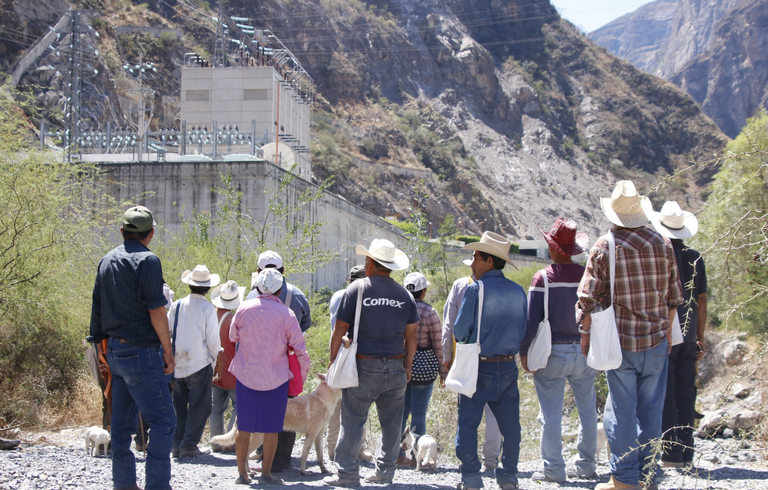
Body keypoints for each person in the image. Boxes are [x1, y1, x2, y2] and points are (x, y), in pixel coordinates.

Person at [577, 181, 683, 490]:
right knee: (651, 411)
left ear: (613, 214)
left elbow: (588, 300)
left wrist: (585, 334)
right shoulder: (663, 243)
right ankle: (648, 475)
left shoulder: (604, 246)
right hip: (656, 341)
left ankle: (623, 480)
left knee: (620, 411)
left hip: (620, 343)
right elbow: (674, 297)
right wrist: (664, 335)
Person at [89, 205, 176, 490]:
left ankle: (124, 484)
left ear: (122, 231)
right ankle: (157, 486)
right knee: (163, 422)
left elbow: (98, 309)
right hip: (142, 352)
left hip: (114, 350)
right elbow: (156, 310)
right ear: (150, 234)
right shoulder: (148, 261)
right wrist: (167, 350)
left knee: (122, 426)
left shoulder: (106, 260)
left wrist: (103, 352)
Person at [323, 239, 418, 487]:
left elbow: (339, 330)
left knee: (353, 421)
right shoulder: (405, 295)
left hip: (363, 367)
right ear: (390, 265)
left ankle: (347, 475)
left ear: (369, 263)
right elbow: (411, 337)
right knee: (392, 425)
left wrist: (333, 361)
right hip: (396, 368)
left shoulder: (356, 289)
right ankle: (384, 473)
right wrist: (407, 368)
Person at [520, 218, 597, 483]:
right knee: (587, 411)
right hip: (585, 350)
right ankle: (586, 466)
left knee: (550, 413)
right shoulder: (587, 276)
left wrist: (524, 351)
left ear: (552, 248)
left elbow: (532, 321)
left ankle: (554, 468)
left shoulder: (543, 278)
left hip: (553, 352)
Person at [453, 231, 527, 490]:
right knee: (511, 427)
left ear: (489, 261)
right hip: (508, 367)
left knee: (468, 423)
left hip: (479, 367)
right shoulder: (519, 291)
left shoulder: (476, 289)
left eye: (475, 257)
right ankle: (508, 477)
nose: (472, 263)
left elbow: (460, 331)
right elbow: (523, 330)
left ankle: (472, 477)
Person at [229, 268, 310, 485]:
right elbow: (299, 348)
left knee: (244, 426)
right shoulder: (287, 314)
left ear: (257, 287)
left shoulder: (244, 308)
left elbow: (232, 335)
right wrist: (302, 371)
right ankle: (266, 474)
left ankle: (242, 474)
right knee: (272, 427)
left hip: (246, 375)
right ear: (280, 289)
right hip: (276, 378)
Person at [650, 201, 708, 468]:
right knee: (687, 391)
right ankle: (686, 451)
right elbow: (702, 300)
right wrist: (700, 337)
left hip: (666, 332)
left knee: (667, 392)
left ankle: (670, 452)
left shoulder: (660, 255)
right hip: (688, 331)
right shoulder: (695, 258)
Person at [246, 250, 312, 471]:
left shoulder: (249, 298)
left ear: (258, 272)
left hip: (259, 367)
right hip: (289, 366)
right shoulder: (298, 295)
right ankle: (282, 460)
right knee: (289, 409)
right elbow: (306, 325)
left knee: (263, 410)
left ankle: (264, 456)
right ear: (283, 272)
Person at [441, 261, 503, 473]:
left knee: (467, 414)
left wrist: (447, 357)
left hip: (466, 358)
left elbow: (450, 324)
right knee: (494, 411)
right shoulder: (502, 286)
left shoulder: (461, 286)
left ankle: (469, 461)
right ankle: (491, 461)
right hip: (495, 358)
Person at [168, 265, 221, 459]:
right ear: (207, 288)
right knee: (201, 406)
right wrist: (216, 361)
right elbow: (213, 340)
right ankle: (189, 444)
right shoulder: (208, 308)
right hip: (200, 363)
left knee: (179, 406)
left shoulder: (177, 305)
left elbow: (168, 331)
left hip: (178, 362)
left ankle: (176, 443)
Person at [399, 272, 447, 464]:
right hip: (424, 367)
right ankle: (417, 455)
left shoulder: (400, 309)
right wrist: (443, 372)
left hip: (402, 365)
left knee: (401, 412)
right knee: (419, 413)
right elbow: (438, 344)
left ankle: (396, 453)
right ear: (423, 292)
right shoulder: (430, 312)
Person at [326, 265, 373, 463]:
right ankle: (358, 448)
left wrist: (331, 358)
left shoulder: (338, 295)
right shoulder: (365, 296)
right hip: (357, 354)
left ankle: (331, 448)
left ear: (349, 280)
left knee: (336, 404)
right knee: (359, 404)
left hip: (338, 353)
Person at [210, 280, 245, 452]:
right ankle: (229, 443)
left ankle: (215, 442)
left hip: (214, 371)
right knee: (238, 406)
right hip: (232, 371)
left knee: (216, 408)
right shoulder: (233, 320)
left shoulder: (210, 316)